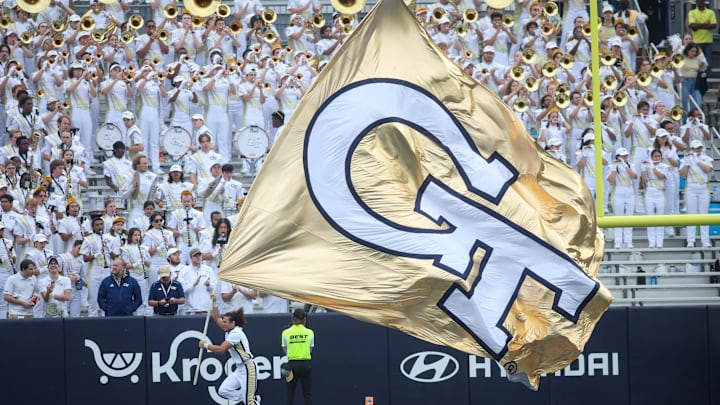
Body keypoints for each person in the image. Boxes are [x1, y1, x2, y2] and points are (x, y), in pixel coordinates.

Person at [198, 302, 260, 405]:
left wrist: (205, 345)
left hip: (248, 368)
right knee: (224, 390)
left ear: (233, 323)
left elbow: (221, 349)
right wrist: (214, 303)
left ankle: (250, 399)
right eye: (223, 321)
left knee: (249, 402)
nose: (223, 323)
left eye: (225, 322)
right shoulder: (229, 329)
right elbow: (217, 317)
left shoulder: (235, 334)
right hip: (240, 369)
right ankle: (249, 398)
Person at [680, 140, 713, 248]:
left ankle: (705, 240)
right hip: (691, 188)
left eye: (699, 148)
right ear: (692, 149)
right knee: (691, 214)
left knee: (704, 214)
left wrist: (697, 161)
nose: (697, 150)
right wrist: (687, 163)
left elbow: (708, 169)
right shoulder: (686, 159)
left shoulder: (706, 159)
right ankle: (690, 240)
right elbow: (683, 174)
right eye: (695, 148)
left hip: (703, 187)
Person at [282, 308, 315, 405]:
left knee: (290, 394)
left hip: (292, 365)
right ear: (305, 319)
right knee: (307, 394)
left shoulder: (286, 332)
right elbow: (310, 349)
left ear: (293, 319)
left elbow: (284, 348)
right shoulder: (309, 332)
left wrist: (292, 354)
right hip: (305, 364)